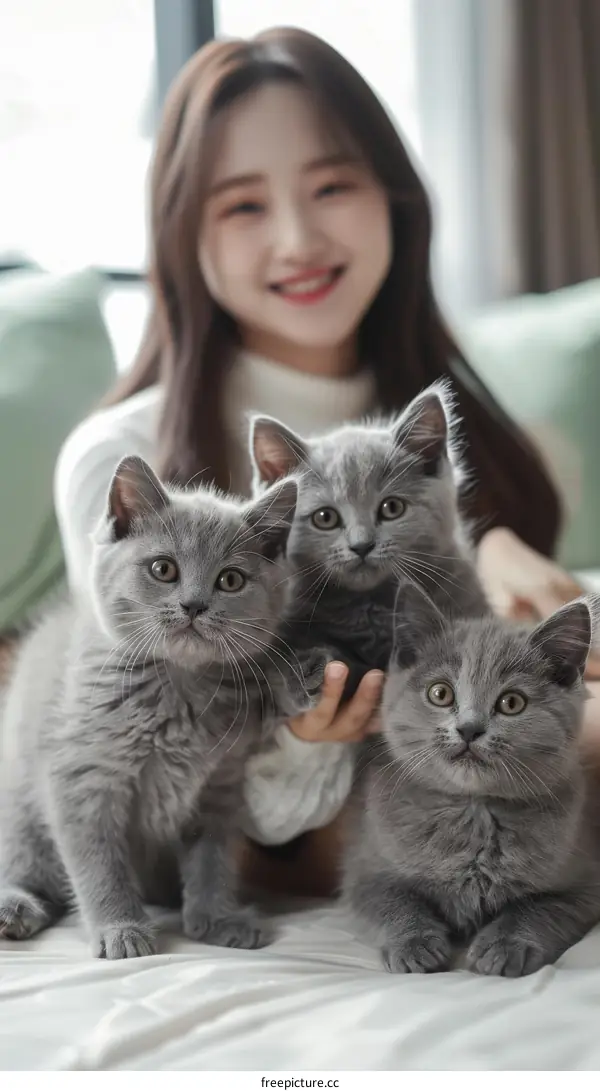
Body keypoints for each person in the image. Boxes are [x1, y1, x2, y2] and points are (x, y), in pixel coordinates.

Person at [54, 27, 600, 890]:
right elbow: (178, 760)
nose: (299, 237)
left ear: (396, 196)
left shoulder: (445, 436)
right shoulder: (123, 455)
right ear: (179, 233)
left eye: (332, 185)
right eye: (243, 205)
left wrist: (483, 546)